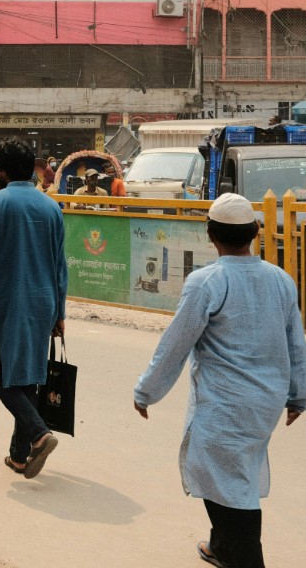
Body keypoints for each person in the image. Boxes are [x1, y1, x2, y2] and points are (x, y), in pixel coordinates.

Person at [134, 193, 306, 568]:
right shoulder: (281, 280)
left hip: (226, 405)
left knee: (229, 485)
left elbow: (176, 344)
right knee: (231, 473)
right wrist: (298, 396)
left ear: (210, 235)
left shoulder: (207, 282)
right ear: (255, 232)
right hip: (266, 405)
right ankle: (220, 547)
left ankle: (242, 556)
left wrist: (145, 391)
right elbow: (297, 342)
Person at [0, 136, 65, 480]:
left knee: (0, 374)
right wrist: (60, 313)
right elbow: (60, 267)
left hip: (7, 303)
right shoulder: (52, 207)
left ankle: (38, 434)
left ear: (2, 171)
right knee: (29, 377)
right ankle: (19, 456)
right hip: (44, 302)